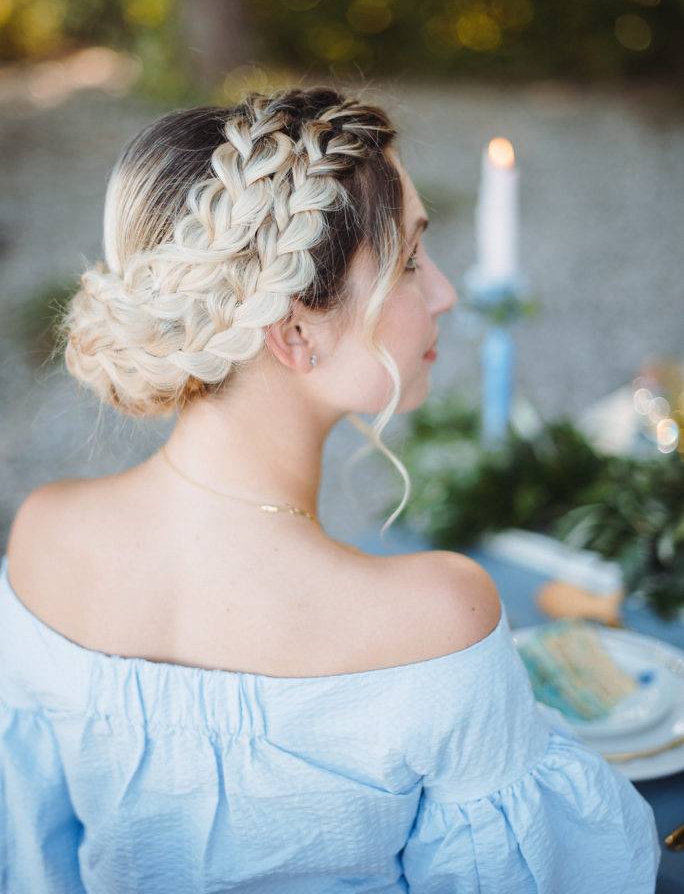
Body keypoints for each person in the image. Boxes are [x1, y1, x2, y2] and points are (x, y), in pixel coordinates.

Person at [1, 86, 660, 892]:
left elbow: (34, 856)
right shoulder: (436, 618)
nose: (446, 293)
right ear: (295, 333)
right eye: (412, 261)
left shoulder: (42, 538)